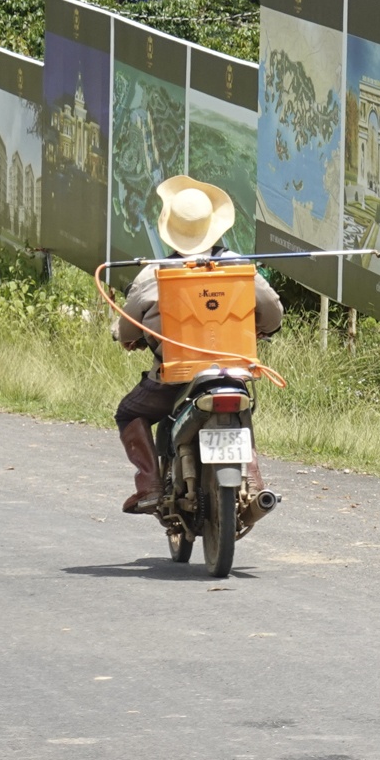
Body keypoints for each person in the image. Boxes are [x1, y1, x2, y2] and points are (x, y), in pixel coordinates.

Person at [114, 176, 283, 515]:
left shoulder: (155, 273)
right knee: (242, 407)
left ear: (170, 228)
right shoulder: (240, 267)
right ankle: (253, 482)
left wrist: (128, 338)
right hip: (232, 371)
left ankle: (148, 483)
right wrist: (263, 328)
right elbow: (273, 312)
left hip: (174, 377)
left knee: (129, 412)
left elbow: (125, 327)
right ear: (213, 226)